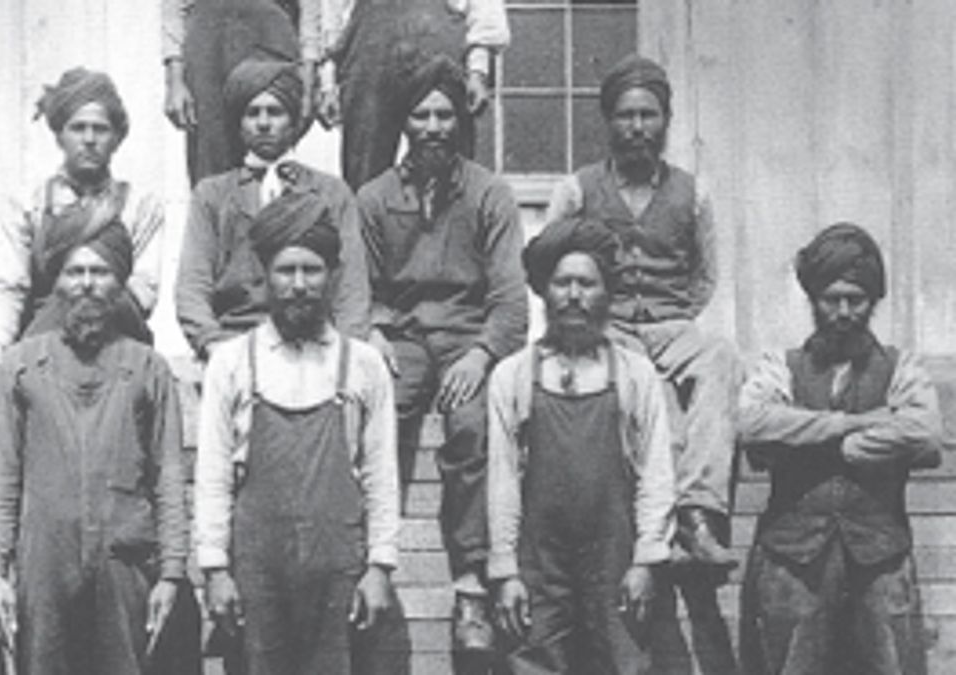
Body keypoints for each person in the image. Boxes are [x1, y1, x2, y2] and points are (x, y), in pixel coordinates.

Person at [544, 53, 739, 673]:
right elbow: (550, 264)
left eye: (648, 116)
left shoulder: (692, 190)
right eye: (625, 116)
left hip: (671, 321)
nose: (636, 127)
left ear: (665, 121)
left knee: (720, 357)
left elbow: (705, 274)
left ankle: (700, 515)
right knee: (647, 385)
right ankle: (675, 525)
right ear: (608, 122)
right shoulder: (577, 189)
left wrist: (673, 317)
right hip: (611, 326)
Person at [357, 53, 528, 666]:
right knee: (374, 420)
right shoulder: (374, 198)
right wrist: (374, 333)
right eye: (421, 114)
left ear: (459, 120)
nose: (432, 126)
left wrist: (482, 354)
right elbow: (362, 288)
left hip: (467, 336)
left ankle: (470, 587)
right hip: (401, 336)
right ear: (403, 120)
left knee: (472, 427)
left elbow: (511, 300)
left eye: (443, 115)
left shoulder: (489, 194)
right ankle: (370, 567)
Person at [0, 221, 200, 675]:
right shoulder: (20, 368)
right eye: (74, 271)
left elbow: (169, 478)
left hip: (125, 559)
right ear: (56, 282)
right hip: (43, 562)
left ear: (120, 282)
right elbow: (2, 477)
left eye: (99, 272)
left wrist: (173, 572)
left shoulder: (148, 369)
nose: (86, 284)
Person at [196, 190, 402, 675]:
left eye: (312, 271)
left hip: (338, 571)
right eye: (286, 272)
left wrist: (380, 567)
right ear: (265, 277)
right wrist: (215, 570)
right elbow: (213, 476)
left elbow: (380, 474)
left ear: (331, 276)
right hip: (257, 570)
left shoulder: (364, 364)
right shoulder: (232, 362)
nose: (299, 285)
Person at [737, 223, 942, 675]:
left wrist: (837, 445)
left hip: (881, 560)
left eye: (857, 299)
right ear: (813, 300)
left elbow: (923, 431)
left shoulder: (902, 367)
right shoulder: (780, 366)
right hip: (791, 560)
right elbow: (753, 422)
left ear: (873, 301)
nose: (844, 311)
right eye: (832, 299)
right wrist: (851, 423)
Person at [489, 216, 676, 674]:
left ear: (607, 293)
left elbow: (656, 475)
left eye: (587, 284)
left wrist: (647, 561)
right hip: (539, 565)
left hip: (616, 562)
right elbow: (502, 481)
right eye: (562, 283)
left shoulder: (635, 374)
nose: (574, 296)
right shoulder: (513, 375)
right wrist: (506, 570)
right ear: (544, 291)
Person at [176, 57, 369, 359]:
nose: (264, 123)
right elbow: (193, 285)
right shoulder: (212, 195)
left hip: (316, 342)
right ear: (239, 124)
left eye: (275, 112)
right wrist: (211, 342)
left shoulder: (331, 192)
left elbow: (351, 289)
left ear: (293, 121)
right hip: (236, 341)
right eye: (253, 113)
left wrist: (346, 353)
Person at [0, 67, 164, 366]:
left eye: (101, 129)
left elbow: (143, 290)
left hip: (119, 335)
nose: (90, 139)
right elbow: (8, 284)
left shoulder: (139, 205)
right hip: (41, 343)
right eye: (78, 128)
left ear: (117, 138)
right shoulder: (27, 203)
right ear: (59, 136)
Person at [316, 0, 510, 190]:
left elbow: (485, 5)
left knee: (449, 176)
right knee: (364, 175)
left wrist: (478, 70)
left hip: (440, 48)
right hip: (370, 54)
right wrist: (327, 80)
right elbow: (331, 8)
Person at [163, 0, 320, 184]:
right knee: (210, 158)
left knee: (269, 144)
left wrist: (309, 72)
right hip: (208, 39)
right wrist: (174, 78)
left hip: (270, 31)